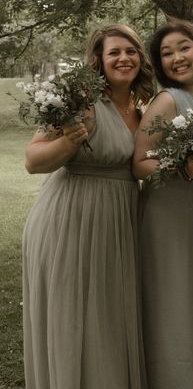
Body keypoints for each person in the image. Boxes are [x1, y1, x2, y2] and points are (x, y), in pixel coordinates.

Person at [22, 24, 154, 388]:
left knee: (109, 319)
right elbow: (33, 160)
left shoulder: (142, 109)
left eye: (130, 51)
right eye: (114, 52)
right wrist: (69, 142)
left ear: (140, 58)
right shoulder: (80, 99)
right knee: (73, 316)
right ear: (99, 60)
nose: (123, 58)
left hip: (119, 222)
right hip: (70, 220)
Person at [133, 19, 193, 388]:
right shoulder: (167, 100)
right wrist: (181, 167)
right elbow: (140, 162)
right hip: (167, 216)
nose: (177, 58)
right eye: (167, 53)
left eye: (184, 48)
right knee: (174, 301)